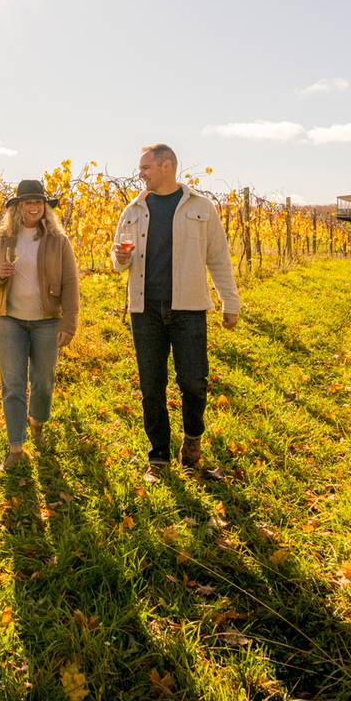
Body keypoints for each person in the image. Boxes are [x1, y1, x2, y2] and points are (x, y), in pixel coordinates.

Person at [111, 144, 240, 477]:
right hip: (145, 309)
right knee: (151, 385)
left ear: (166, 166)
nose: (140, 173)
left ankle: (192, 438)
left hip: (189, 309)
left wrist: (230, 300)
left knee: (194, 382)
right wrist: (121, 259)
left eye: (145, 167)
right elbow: (117, 259)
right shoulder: (134, 209)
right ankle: (158, 456)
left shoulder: (200, 207)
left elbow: (218, 258)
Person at [0, 179, 81, 470]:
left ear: (45, 207)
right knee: (13, 384)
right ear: (18, 207)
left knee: (43, 382)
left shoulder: (58, 240)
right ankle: (15, 446)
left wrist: (69, 323)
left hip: (47, 321)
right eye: (28, 202)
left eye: (39, 202)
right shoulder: (4, 238)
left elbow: (71, 283)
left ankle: (37, 422)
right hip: (11, 320)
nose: (34, 206)